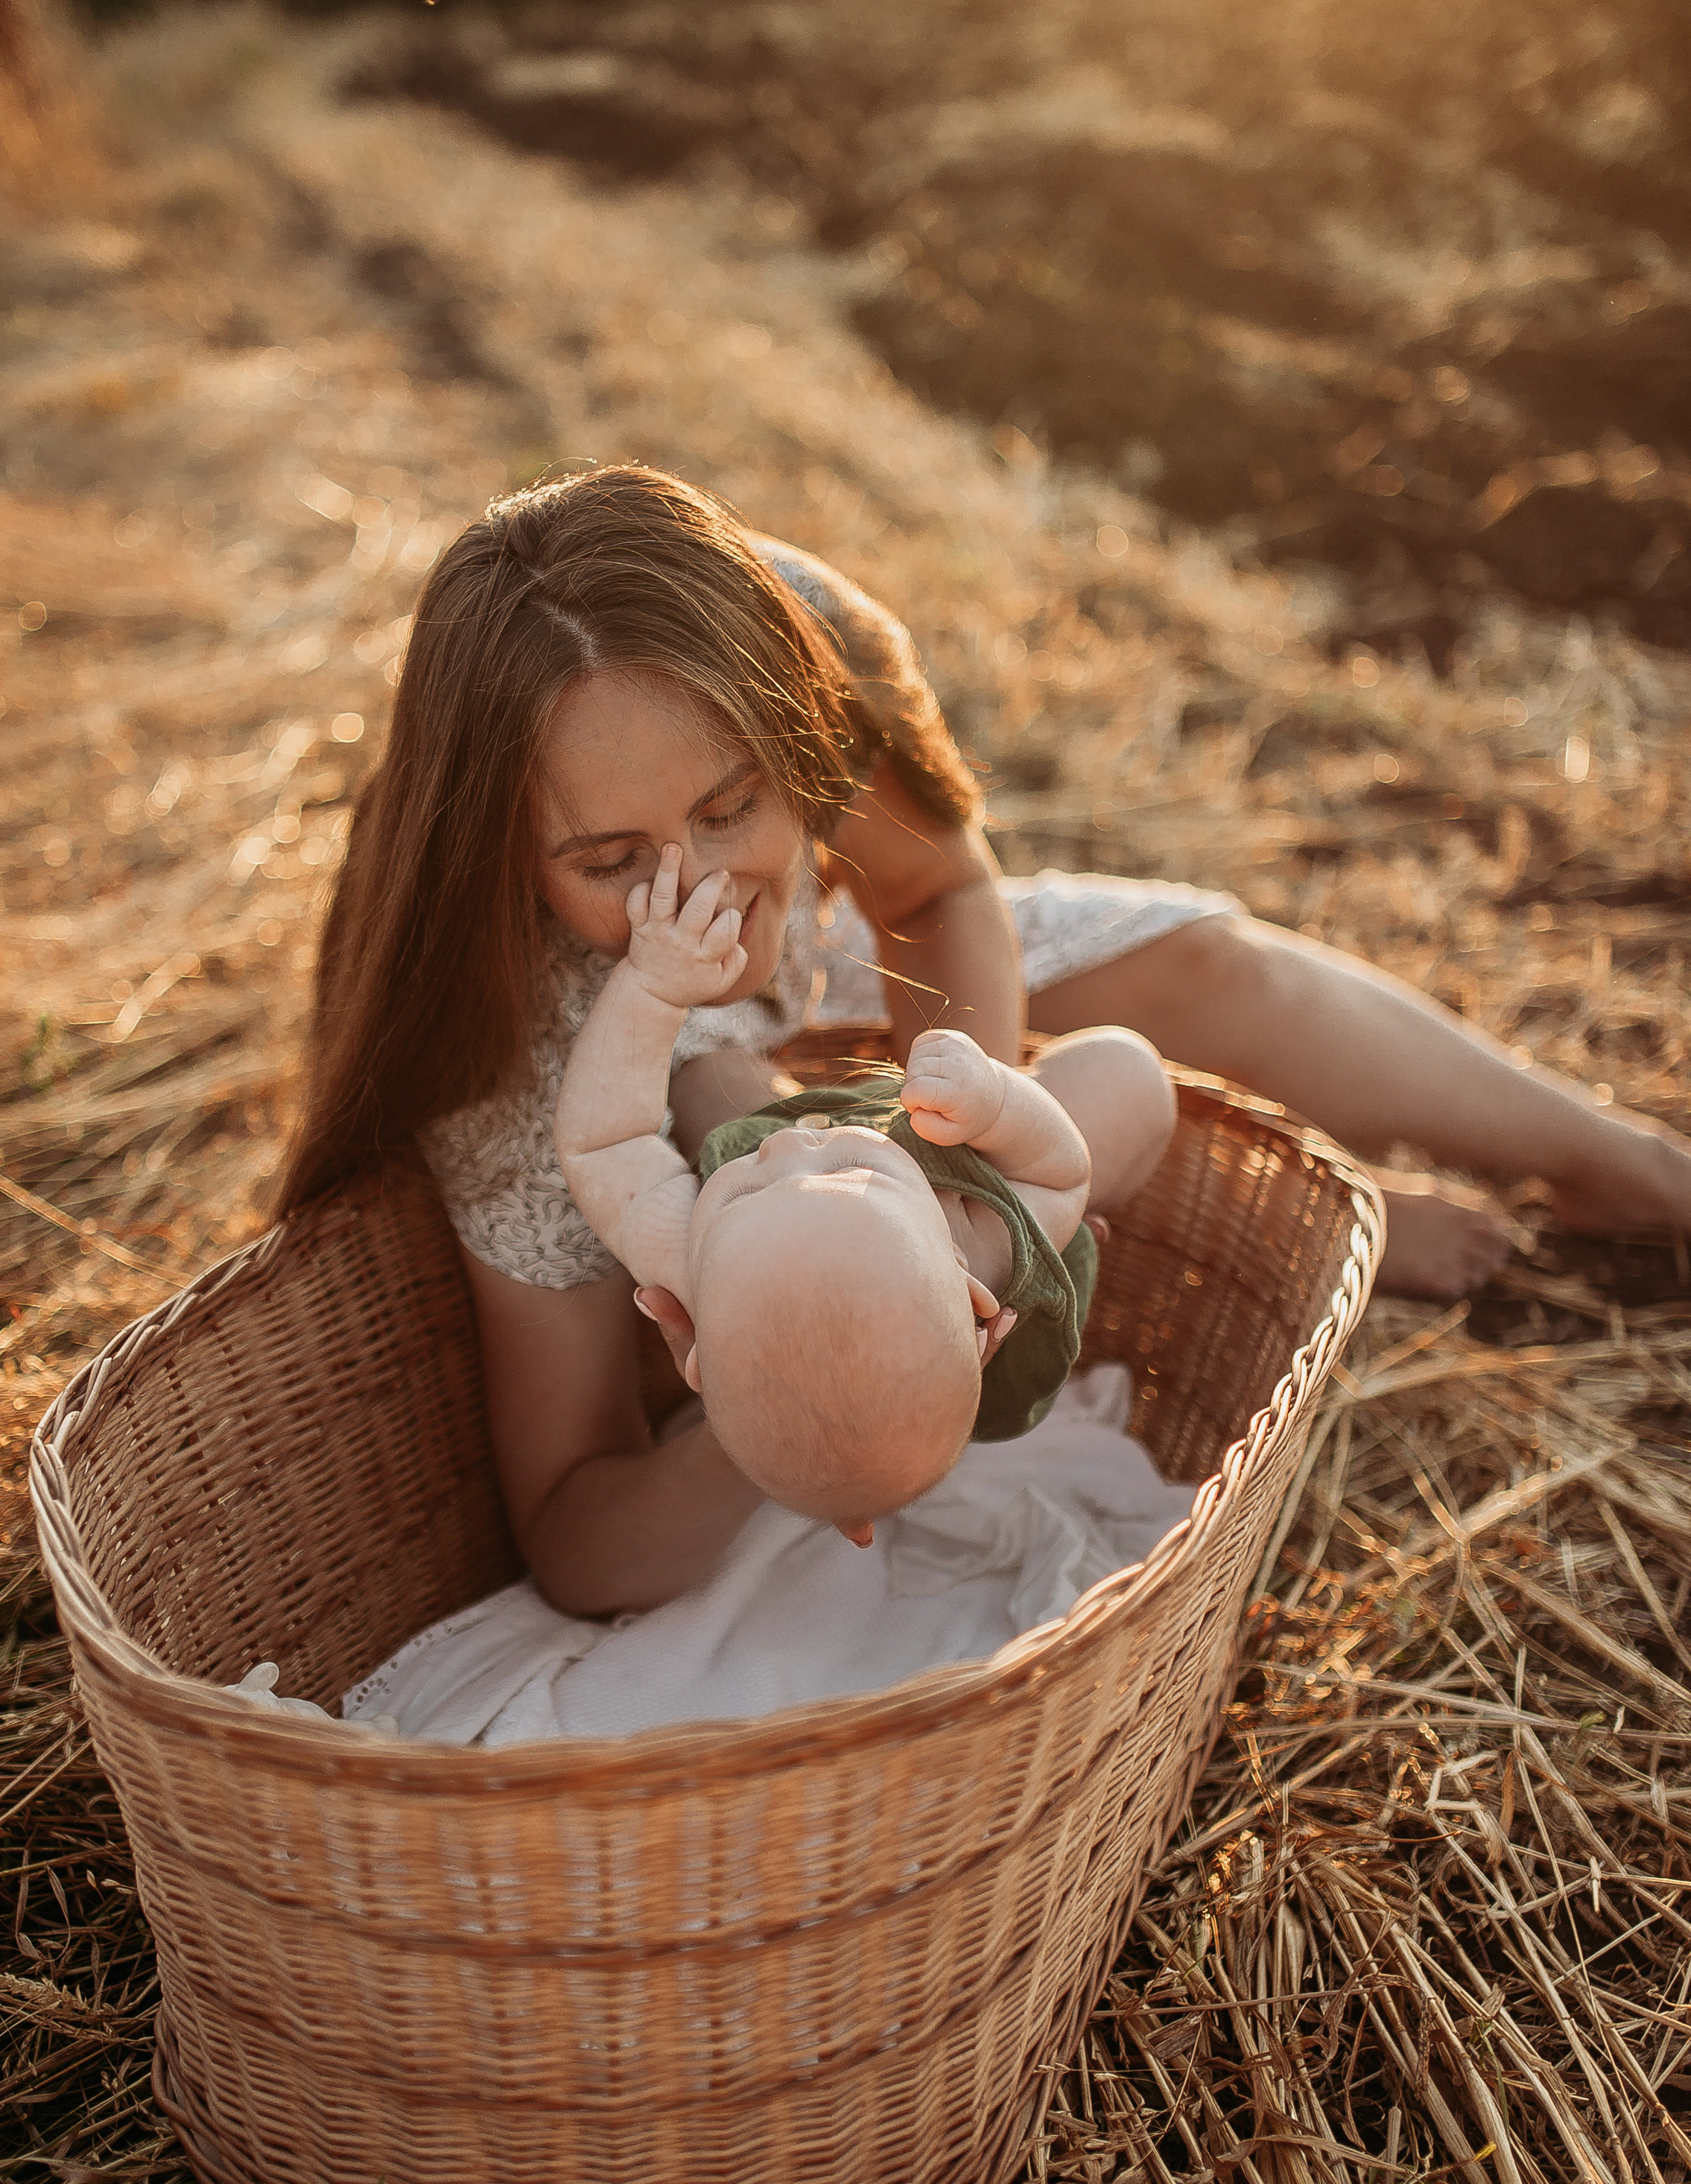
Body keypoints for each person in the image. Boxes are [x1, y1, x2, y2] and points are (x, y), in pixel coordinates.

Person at [279, 463, 1691, 1618]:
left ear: (786, 732)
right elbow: (575, 1529)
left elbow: (942, 889)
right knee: (716, 1093)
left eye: (732, 806)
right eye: (612, 855)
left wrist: (952, 1168)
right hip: (617, 1020)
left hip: (833, 949)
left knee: (1197, 966)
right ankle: (1306, 1201)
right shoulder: (515, 1065)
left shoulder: (790, 635)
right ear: (513, 858)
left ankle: (1622, 1162)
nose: (699, 888)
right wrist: (809, 1408)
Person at [554, 842, 1176, 1541]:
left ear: (697, 1351)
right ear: (971, 1294)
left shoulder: (693, 1264)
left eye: (745, 1194)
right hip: (974, 1161)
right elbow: (1061, 1172)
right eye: (852, 1170)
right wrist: (996, 1105)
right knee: (1129, 1077)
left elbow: (605, 1145)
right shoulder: (986, 1248)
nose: (793, 1150)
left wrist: (652, 989)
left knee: (702, 1072)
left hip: (886, 1231)